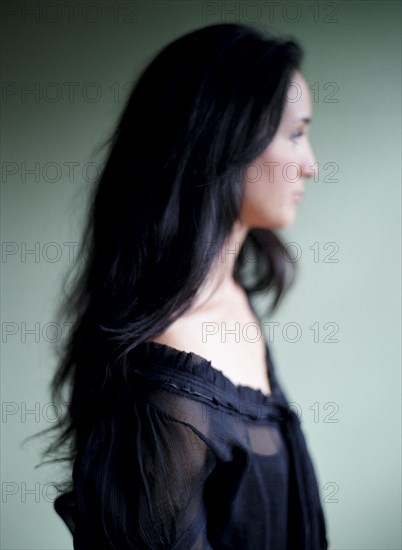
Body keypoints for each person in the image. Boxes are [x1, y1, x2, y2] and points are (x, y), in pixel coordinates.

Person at [34, 22, 329, 549]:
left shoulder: (233, 295)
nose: (311, 166)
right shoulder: (165, 382)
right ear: (224, 140)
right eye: (296, 133)